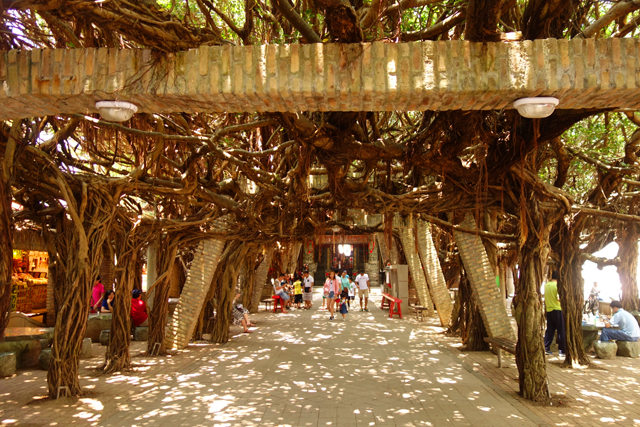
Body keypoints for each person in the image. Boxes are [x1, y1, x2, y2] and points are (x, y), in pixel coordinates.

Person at [544, 271, 566, 356]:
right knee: (561, 330)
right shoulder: (557, 285)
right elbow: (559, 298)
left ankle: (546, 347)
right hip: (557, 309)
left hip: (549, 310)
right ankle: (562, 350)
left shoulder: (547, 285)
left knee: (550, 330)